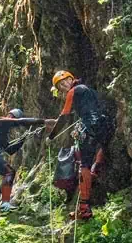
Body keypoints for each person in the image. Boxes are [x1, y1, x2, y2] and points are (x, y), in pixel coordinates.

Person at [45, 70, 114, 221]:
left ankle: (84, 208)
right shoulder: (89, 90)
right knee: (101, 146)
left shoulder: (73, 92)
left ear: (71, 79)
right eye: (61, 85)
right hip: (104, 124)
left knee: (84, 165)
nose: (64, 86)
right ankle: (95, 171)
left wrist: (51, 136)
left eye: (65, 82)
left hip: (89, 127)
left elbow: (64, 116)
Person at [0, 108, 49, 222]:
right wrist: (44, 121)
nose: (13, 124)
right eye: (13, 120)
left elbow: (9, 150)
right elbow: (20, 121)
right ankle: (5, 205)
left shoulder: (0, 135)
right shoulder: (0, 122)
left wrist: (23, 139)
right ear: (11, 117)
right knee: (10, 171)